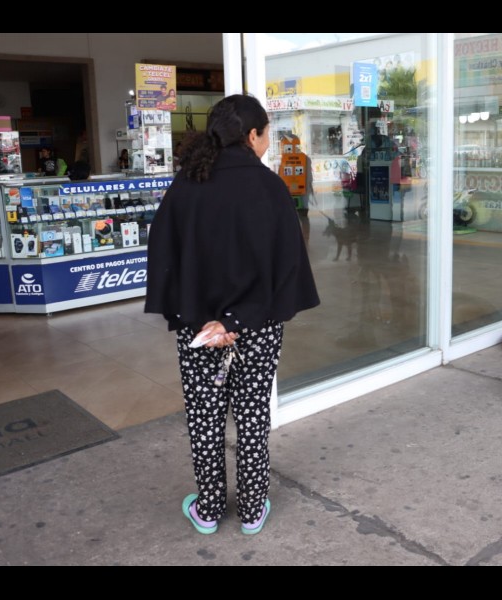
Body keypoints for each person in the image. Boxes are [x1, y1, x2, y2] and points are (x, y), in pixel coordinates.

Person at [145, 94, 320, 536]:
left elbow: (164, 255)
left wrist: (207, 321)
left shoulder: (187, 184)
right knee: (252, 416)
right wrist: (237, 320)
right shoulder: (269, 187)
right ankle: (251, 508)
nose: (268, 142)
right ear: (252, 135)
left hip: (198, 331)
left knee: (204, 418)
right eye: (267, 134)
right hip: (257, 329)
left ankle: (207, 509)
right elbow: (286, 265)